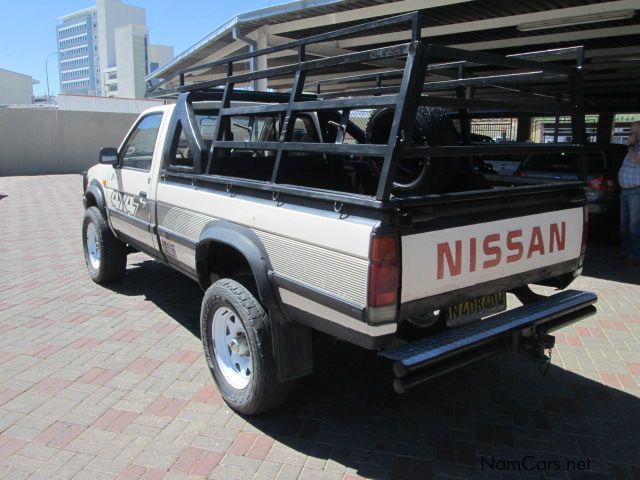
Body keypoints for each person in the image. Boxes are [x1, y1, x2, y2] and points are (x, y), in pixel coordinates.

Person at [618, 121, 640, 266]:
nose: (631, 135)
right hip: (625, 191)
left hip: (636, 192)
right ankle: (626, 252)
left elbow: (636, 160)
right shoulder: (633, 147)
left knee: (635, 225)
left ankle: (636, 255)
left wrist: (630, 145)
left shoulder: (633, 148)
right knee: (624, 224)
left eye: (634, 131)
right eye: (631, 132)